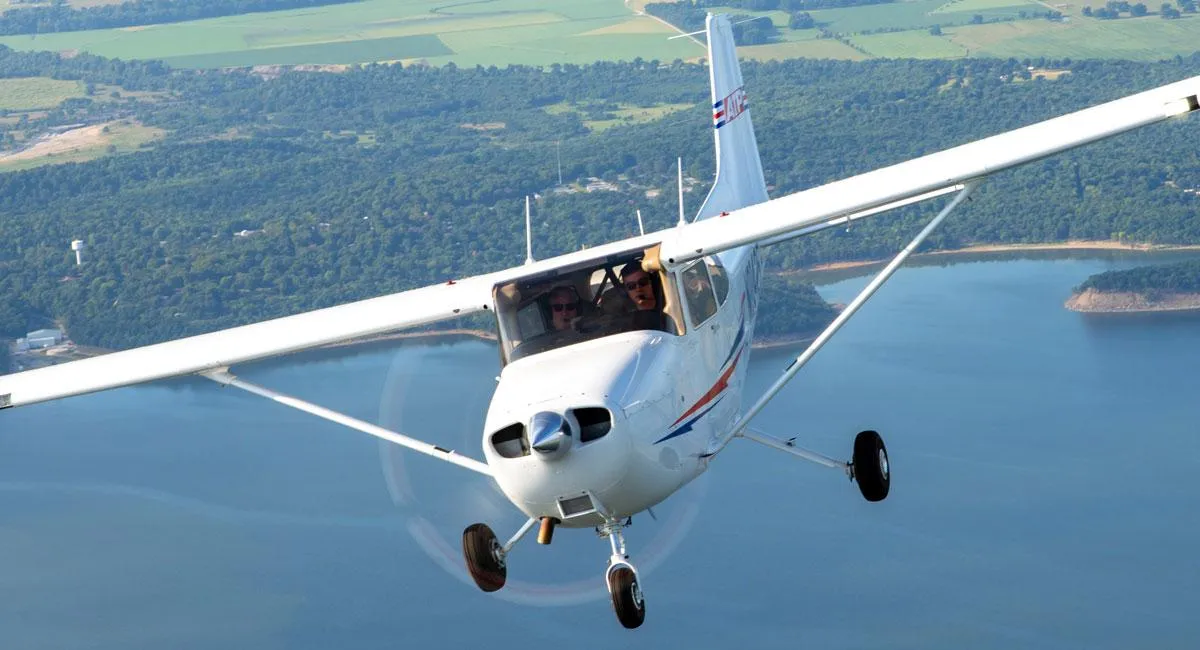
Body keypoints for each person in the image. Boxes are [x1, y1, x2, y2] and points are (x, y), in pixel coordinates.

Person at [620, 263, 664, 331]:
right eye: (631, 286)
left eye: (643, 282)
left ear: (652, 282)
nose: (638, 289)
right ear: (626, 291)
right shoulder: (624, 322)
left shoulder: (670, 306)